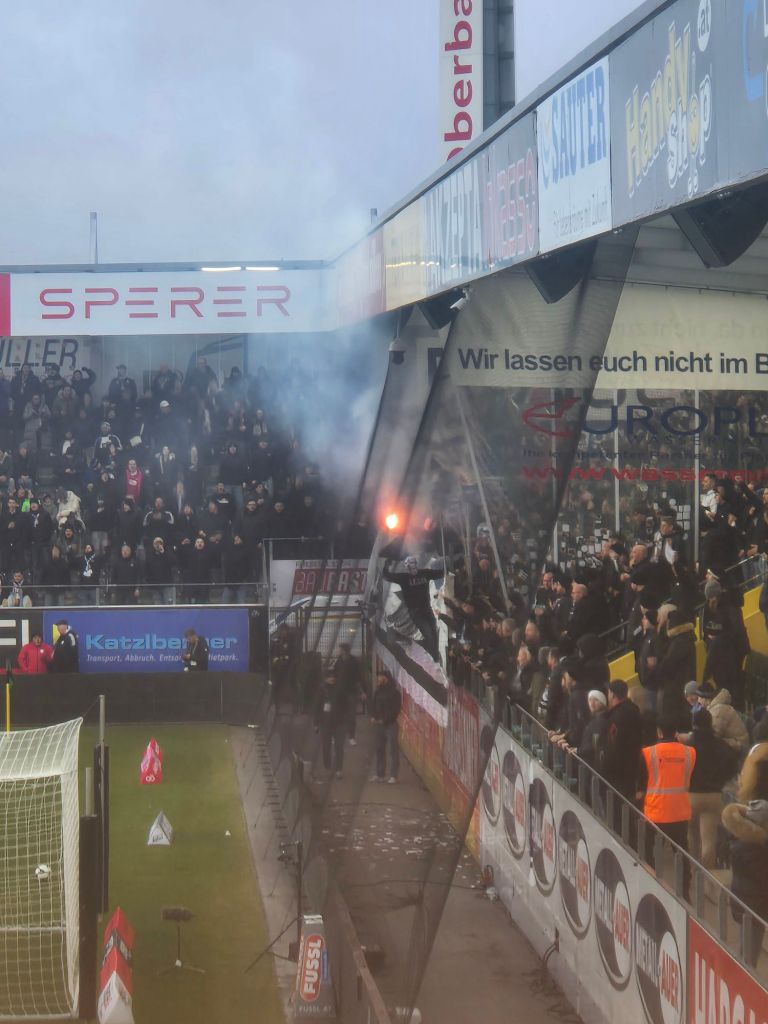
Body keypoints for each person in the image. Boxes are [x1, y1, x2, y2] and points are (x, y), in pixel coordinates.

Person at [637, 716, 696, 896]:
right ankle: (684, 892)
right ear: (676, 733)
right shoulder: (690, 753)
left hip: (655, 813)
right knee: (682, 854)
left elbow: (641, 782)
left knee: (651, 853)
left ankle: (651, 888)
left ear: (659, 732)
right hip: (680, 811)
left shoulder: (648, 753)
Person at [684, 708, 738, 869]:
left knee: (691, 835)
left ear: (694, 724)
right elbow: (733, 763)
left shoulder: (688, 745)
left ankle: (692, 870)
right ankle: (707, 875)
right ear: (710, 723)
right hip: (713, 795)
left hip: (691, 795)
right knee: (708, 840)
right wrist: (721, 779)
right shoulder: (719, 744)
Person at [721, 799, 768, 966]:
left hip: (745, 901)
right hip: (753, 906)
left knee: (746, 948)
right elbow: (764, 876)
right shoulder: (754, 847)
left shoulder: (741, 840)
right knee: (749, 957)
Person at [382, 555, 444, 660]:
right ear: (407, 566)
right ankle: (434, 659)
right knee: (428, 633)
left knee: (433, 632)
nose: (414, 565)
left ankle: (434, 656)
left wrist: (450, 566)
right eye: (411, 563)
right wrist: (386, 564)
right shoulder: (404, 578)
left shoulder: (424, 573)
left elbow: (440, 573)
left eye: (414, 563)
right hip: (415, 612)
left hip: (426, 609)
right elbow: (387, 576)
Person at [600, 680, 643, 804]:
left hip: (616, 775)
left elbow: (613, 745)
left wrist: (604, 767)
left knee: (615, 809)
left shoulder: (617, 716)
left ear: (612, 694)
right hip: (632, 770)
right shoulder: (635, 710)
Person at [313, 668, 349, 779]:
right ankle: (327, 766)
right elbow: (317, 707)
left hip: (339, 722)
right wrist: (316, 723)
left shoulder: (340, 690)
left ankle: (339, 769)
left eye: (333, 677)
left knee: (339, 747)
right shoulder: (321, 690)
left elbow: (346, 705)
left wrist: (345, 719)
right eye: (329, 677)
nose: (331, 679)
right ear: (325, 678)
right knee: (326, 746)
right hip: (325, 722)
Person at [370, 669, 402, 784]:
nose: (378, 679)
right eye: (378, 677)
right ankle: (380, 774)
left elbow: (396, 709)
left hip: (391, 724)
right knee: (379, 749)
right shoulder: (377, 691)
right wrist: (373, 716)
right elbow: (373, 705)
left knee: (393, 749)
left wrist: (385, 719)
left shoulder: (395, 693)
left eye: (380, 677)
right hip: (379, 724)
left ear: (386, 678)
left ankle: (393, 775)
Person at [333, 642, 363, 745]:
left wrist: (361, 691)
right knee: (338, 715)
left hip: (351, 692)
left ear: (344, 651)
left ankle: (351, 736)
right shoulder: (338, 661)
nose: (338, 651)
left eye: (340, 649)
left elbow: (358, 677)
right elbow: (334, 674)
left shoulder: (354, 661)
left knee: (351, 715)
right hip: (340, 693)